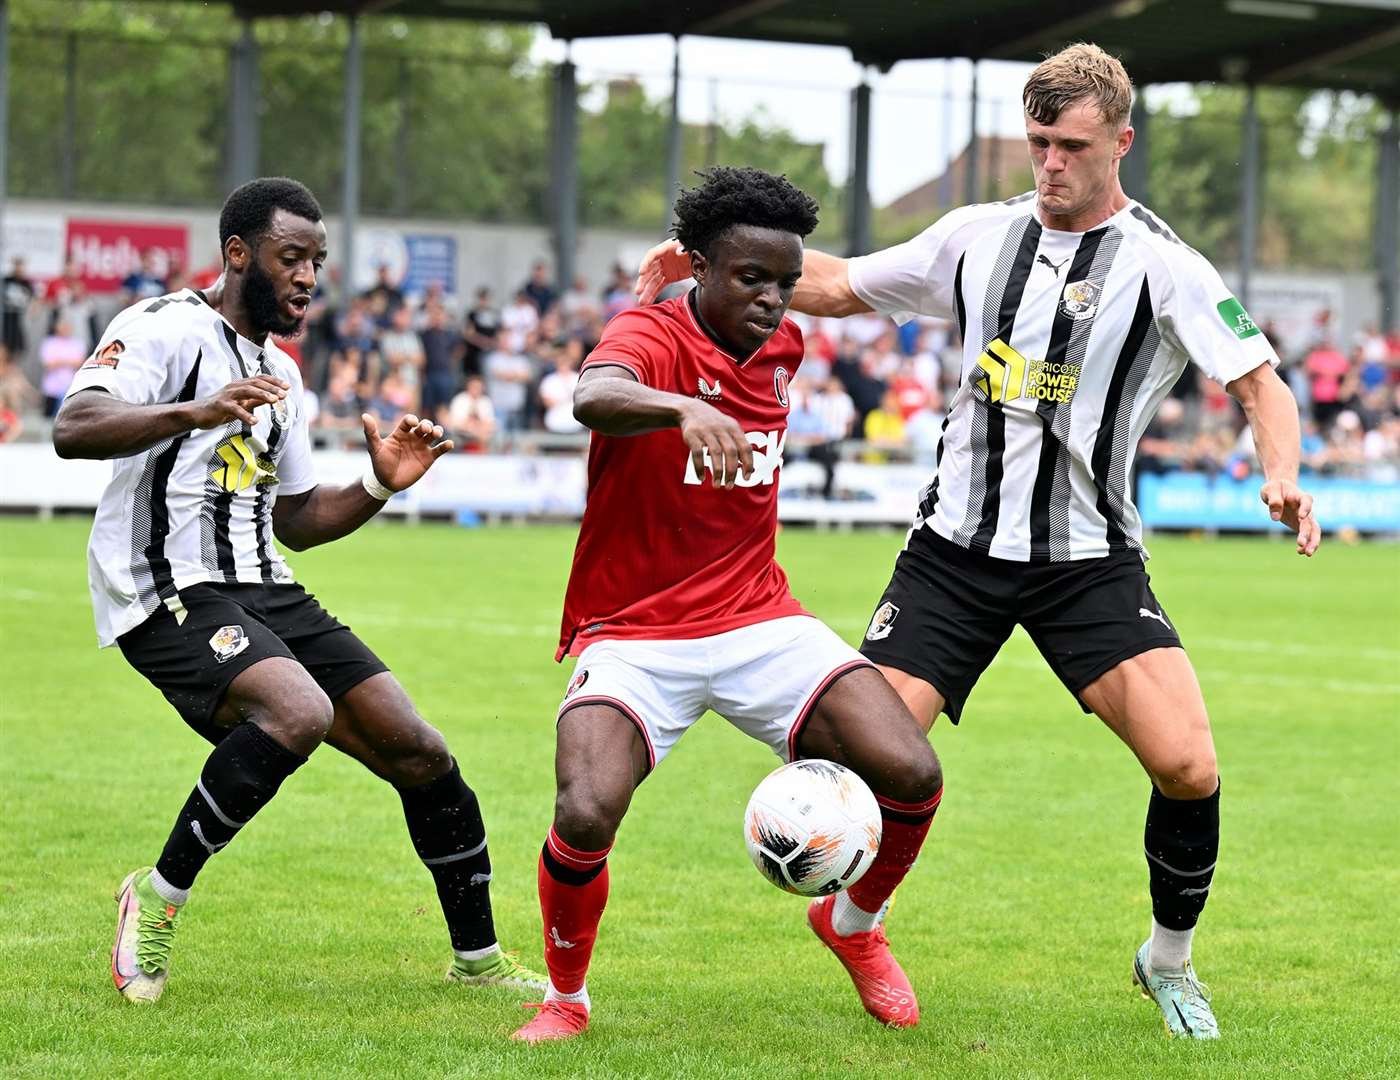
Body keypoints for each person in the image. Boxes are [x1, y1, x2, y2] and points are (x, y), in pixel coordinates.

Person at [638, 44, 1322, 1040]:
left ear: (1119, 145)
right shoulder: (974, 238)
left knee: (1186, 766)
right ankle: (854, 920)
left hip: (1086, 562)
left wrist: (1283, 474)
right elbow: (831, 284)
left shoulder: (1162, 268)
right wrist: (703, 260)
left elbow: (1257, 380)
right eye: (1037, 142)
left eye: (1070, 147)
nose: (1048, 163)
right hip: (951, 557)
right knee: (874, 760)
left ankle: (1165, 962)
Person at [52, 177, 543, 1005]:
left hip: (264, 584)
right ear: (238, 254)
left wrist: (380, 485)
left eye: (317, 260)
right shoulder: (163, 328)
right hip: (167, 581)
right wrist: (193, 412)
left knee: (419, 749)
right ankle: (158, 898)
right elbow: (76, 426)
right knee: (299, 711)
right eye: (292, 258)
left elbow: (299, 521)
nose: (309, 276)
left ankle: (478, 960)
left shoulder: (282, 372)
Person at [512, 167, 943, 1045]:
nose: (773, 301)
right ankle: (566, 998)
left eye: (784, 284)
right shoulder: (650, 332)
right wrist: (676, 408)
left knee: (912, 771)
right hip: (636, 630)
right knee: (586, 809)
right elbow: (591, 393)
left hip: (758, 616)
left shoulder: (782, 348)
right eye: (751, 278)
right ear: (702, 268)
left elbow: (817, 296)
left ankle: (853, 926)